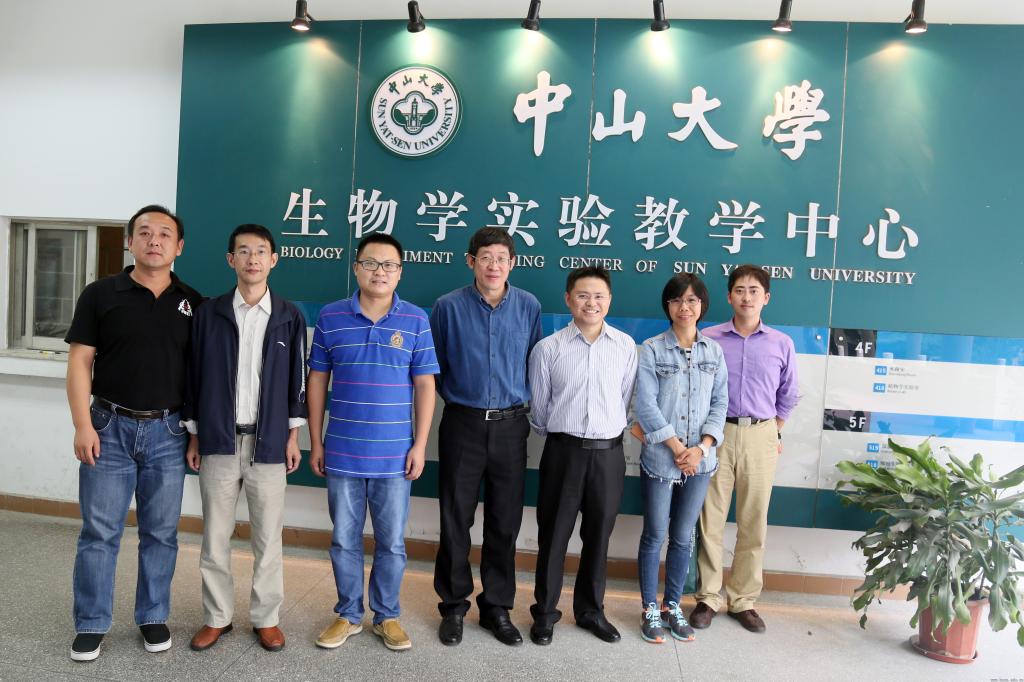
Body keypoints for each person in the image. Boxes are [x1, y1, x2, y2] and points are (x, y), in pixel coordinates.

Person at [64, 205, 203, 661]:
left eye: (164, 234)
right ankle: (91, 622)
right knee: (99, 532)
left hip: (168, 431)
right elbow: (80, 361)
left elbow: (199, 377)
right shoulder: (100, 294)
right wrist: (82, 424)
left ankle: (152, 615)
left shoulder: (192, 302)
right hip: (108, 427)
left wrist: (195, 434)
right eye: (144, 232)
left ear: (179, 247)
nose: (154, 240)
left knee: (160, 533)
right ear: (129, 242)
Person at [307, 233, 439, 652]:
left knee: (392, 543)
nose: (379, 272)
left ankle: (387, 616)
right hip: (342, 451)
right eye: (371, 263)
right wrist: (315, 441)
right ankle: (348, 614)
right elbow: (317, 380)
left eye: (389, 265)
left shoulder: (415, 319)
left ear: (400, 272)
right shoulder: (330, 317)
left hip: (395, 456)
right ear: (356, 268)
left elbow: (425, 385)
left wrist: (420, 445)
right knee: (343, 539)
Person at [182, 224, 308, 653]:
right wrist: (194, 436)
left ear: (274, 259)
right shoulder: (209, 314)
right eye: (243, 251)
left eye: (260, 251)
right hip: (218, 440)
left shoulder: (289, 316)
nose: (252, 259)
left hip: (268, 443)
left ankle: (266, 618)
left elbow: (297, 380)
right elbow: (193, 377)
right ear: (230, 259)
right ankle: (216, 617)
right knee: (215, 537)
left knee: (268, 539)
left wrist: (292, 437)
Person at [430, 228, 542, 647]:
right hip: (463, 423)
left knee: (504, 521)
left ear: (513, 263)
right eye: (485, 257)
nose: (494, 265)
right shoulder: (447, 307)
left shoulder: (528, 306)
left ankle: (496, 607)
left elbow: (533, 362)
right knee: (455, 518)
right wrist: (462, 401)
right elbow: (433, 368)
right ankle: (453, 606)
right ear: (471, 261)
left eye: (501, 258)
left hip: (512, 426)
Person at [527, 266, 637, 646]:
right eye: (583, 295)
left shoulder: (625, 346)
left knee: (598, 537)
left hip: (608, 456)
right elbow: (539, 410)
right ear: (568, 299)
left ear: (609, 300)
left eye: (599, 296)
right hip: (564, 453)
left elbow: (625, 400)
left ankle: (591, 611)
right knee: (553, 537)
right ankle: (545, 613)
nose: (591, 303)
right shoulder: (548, 348)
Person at [692, 264, 799, 634]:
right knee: (710, 518)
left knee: (754, 521)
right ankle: (708, 597)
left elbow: (788, 394)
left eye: (754, 291)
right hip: (716, 434)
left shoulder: (781, 343)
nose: (747, 297)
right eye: (740, 290)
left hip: (762, 434)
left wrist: (772, 432)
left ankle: (743, 600)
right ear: (729, 296)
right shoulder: (709, 337)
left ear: (766, 297)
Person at [632, 273, 727, 644]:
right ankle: (649, 609)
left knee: (684, 537)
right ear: (667, 305)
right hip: (661, 458)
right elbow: (646, 404)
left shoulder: (713, 351)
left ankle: (672, 605)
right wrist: (676, 448)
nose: (684, 307)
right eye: (676, 300)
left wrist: (701, 448)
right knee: (655, 534)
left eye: (691, 300)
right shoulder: (652, 349)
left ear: (702, 305)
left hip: (700, 462)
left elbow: (720, 402)